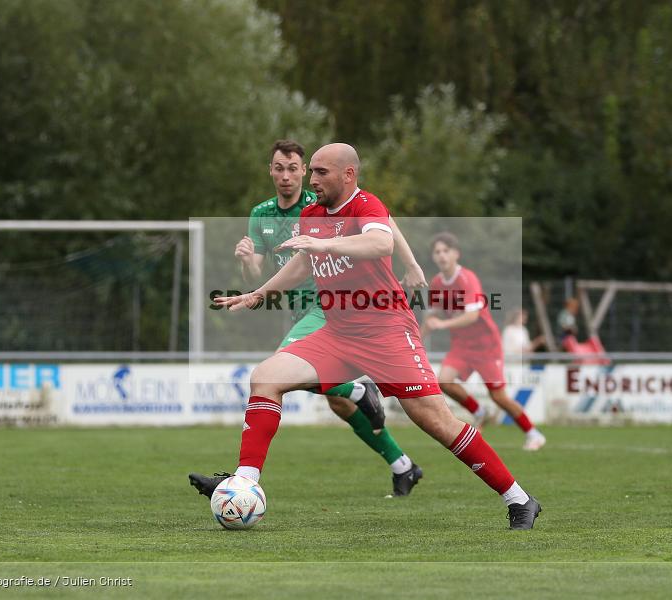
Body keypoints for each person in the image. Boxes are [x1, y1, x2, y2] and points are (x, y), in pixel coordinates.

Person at [196, 143, 541, 530]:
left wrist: (325, 242)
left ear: (348, 175)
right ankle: (245, 483)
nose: (312, 180)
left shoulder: (366, 206)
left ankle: (520, 499)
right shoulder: (311, 214)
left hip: (387, 332)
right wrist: (259, 294)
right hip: (338, 333)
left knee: (436, 421)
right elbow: (302, 263)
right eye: (311, 172)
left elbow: (381, 242)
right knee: (265, 377)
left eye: (320, 172)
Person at [202, 139, 424, 497]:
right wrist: (246, 263)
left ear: (304, 171)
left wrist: (412, 264)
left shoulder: (322, 200)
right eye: (279, 168)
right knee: (336, 400)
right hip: (295, 308)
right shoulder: (261, 214)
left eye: (294, 169)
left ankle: (242, 480)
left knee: (273, 375)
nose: (287, 176)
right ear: (270, 171)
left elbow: (383, 223)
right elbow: (257, 274)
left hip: (328, 306)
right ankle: (402, 465)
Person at [421, 233, 546, 451]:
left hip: (486, 346)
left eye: (445, 250)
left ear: (456, 254)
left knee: (498, 397)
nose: (441, 255)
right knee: (444, 381)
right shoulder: (437, 283)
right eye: (437, 252)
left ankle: (534, 434)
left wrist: (442, 325)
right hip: (462, 346)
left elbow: (473, 316)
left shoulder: (467, 279)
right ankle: (479, 412)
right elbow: (431, 318)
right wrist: (416, 341)